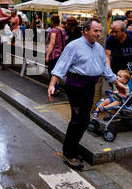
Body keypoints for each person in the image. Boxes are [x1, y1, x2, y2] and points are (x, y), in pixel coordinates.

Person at [47, 19, 126, 170]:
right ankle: (69, 153)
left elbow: (105, 70)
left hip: (90, 88)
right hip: (75, 87)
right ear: (86, 31)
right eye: (95, 31)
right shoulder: (74, 46)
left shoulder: (99, 48)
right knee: (79, 120)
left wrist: (118, 83)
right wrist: (52, 84)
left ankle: (73, 149)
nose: (98, 34)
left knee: (84, 120)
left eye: (100, 31)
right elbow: (61, 66)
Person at [46, 14, 66, 96]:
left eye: (50, 21)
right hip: (61, 53)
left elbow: (52, 44)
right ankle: (56, 87)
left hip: (54, 54)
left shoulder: (54, 30)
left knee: (52, 71)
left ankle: (55, 88)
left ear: (53, 21)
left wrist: (47, 56)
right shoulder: (62, 30)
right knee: (57, 71)